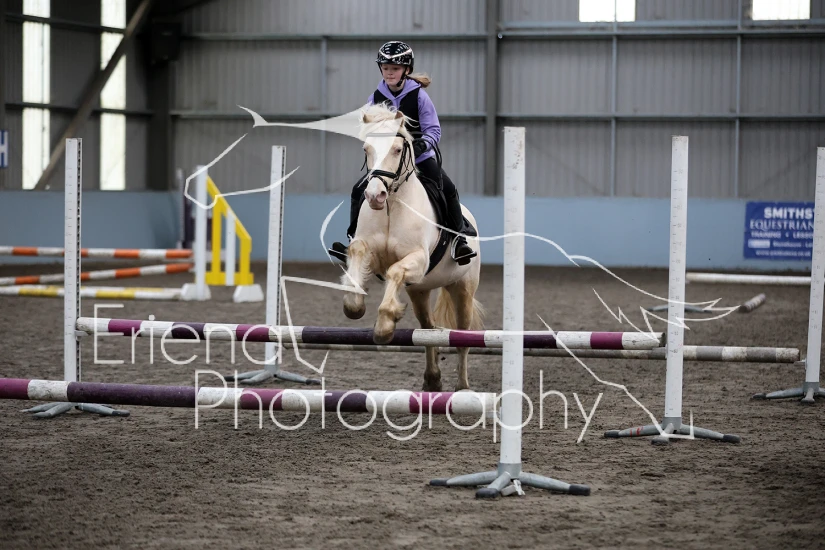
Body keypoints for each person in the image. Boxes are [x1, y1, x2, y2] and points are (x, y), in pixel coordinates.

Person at [329, 40, 477, 266]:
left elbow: (434, 130)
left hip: (419, 159)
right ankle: (353, 240)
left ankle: (458, 239)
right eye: (386, 68)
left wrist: (422, 145)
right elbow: (367, 128)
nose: (389, 73)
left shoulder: (419, 96)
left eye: (395, 68)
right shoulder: (374, 97)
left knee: (447, 188)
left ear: (406, 70)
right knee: (358, 190)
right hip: (387, 162)